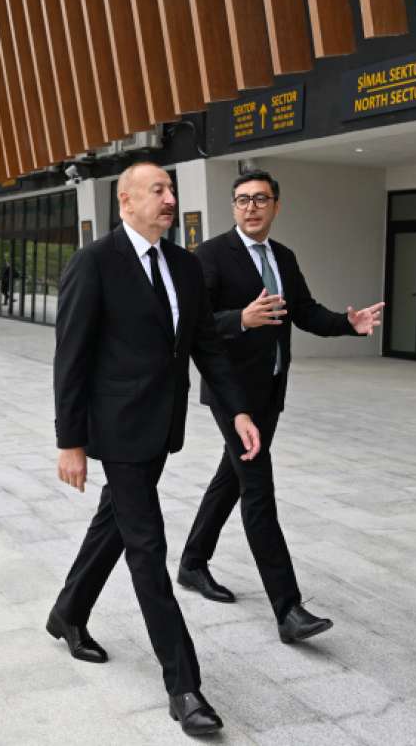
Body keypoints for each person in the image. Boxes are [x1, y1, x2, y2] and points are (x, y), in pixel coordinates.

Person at [48, 161, 260, 738]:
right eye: (158, 190)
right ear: (126, 201)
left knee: (114, 524)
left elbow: (206, 346)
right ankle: (183, 686)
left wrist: (239, 409)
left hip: (160, 429)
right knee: (147, 546)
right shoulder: (95, 262)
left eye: (172, 190)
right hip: (117, 430)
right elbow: (71, 358)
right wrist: (70, 441)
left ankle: (67, 613)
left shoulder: (184, 266)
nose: (169, 199)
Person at [177, 170, 384, 644]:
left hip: (270, 389)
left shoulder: (283, 256)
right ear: (233, 206)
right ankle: (288, 608)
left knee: (232, 478)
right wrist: (241, 319)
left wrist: (348, 324)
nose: (251, 207)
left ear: (276, 205)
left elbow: (304, 311)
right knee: (257, 490)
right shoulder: (211, 255)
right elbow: (193, 323)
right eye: (242, 200)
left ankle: (192, 562)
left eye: (260, 199)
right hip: (231, 393)